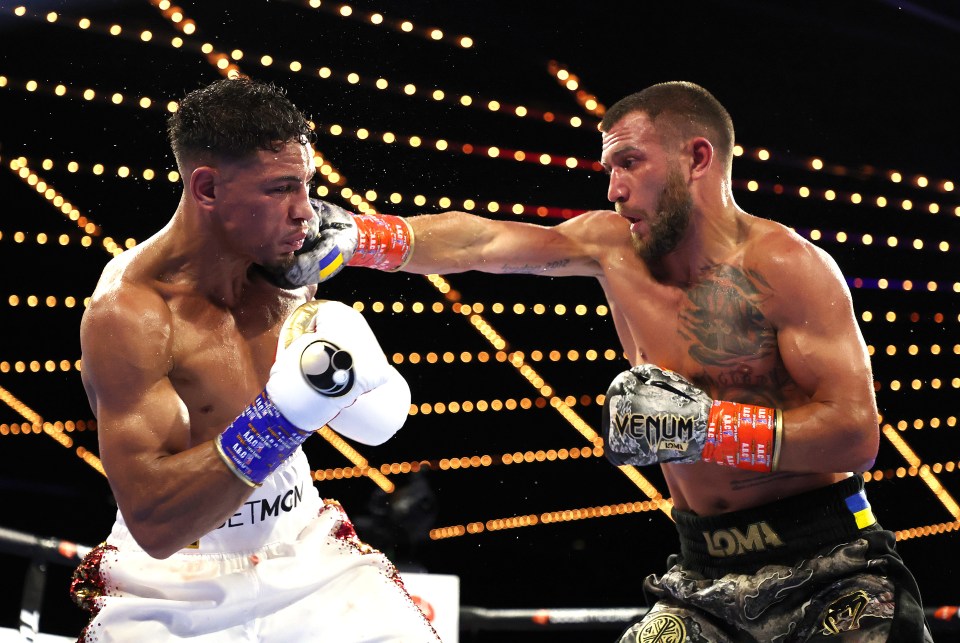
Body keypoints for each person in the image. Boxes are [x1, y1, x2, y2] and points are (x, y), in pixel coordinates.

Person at [281, 81, 933, 641]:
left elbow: (857, 433)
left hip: (831, 564)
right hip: (704, 574)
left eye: (630, 163)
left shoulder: (787, 266)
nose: (615, 189)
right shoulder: (611, 248)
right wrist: (365, 237)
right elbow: (485, 239)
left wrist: (709, 428)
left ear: (696, 158)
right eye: (609, 169)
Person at [69, 77, 441, 642]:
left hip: (305, 548)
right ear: (209, 188)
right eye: (281, 189)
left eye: (307, 186)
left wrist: (594, 247)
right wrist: (282, 418)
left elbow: (472, 243)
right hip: (174, 579)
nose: (306, 213)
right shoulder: (130, 313)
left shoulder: (297, 257)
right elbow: (155, 523)